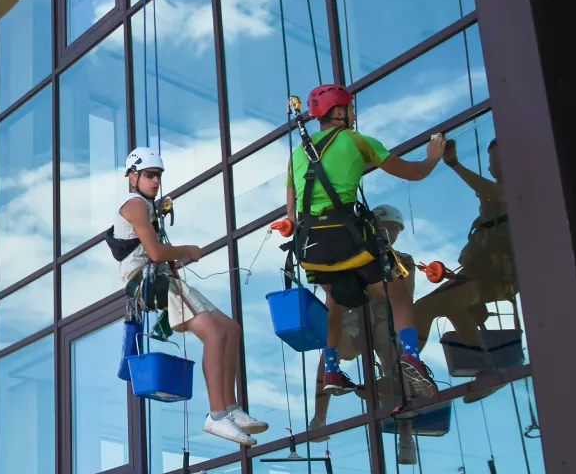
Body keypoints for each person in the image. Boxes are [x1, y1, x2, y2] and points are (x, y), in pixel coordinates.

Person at [285, 84, 445, 402]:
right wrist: (432, 159)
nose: (354, 115)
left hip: (311, 251)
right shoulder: (357, 141)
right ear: (339, 112)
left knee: (334, 304)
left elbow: (292, 212)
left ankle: (331, 370)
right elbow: (413, 173)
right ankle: (410, 357)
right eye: (350, 109)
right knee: (398, 294)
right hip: (348, 244)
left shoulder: (296, 154)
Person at [115, 147, 268, 446]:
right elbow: (156, 253)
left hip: (164, 278)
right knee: (212, 334)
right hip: (149, 281)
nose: (156, 182)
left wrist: (180, 257)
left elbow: (155, 253)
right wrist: (187, 251)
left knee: (230, 329)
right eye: (149, 175)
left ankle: (231, 407)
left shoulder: (145, 206)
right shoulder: (134, 205)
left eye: (158, 176)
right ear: (132, 177)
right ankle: (217, 415)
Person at [308, 204, 419, 464]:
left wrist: (369, 276)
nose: (389, 234)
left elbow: (404, 297)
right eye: (384, 228)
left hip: (384, 320)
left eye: (393, 230)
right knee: (328, 353)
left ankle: (405, 435)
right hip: (355, 318)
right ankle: (319, 417)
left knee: (396, 365)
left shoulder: (402, 260)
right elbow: (335, 300)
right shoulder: (354, 255)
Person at [412, 137, 516, 357]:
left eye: (494, 160)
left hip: (497, 274)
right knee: (423, 307)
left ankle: (484, 361)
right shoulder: (492, 210)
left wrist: (454, 165)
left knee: (447, 302)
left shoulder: (517, 190)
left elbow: (500, 194)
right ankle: (408, 370)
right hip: (482, 272)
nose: (490, 167)